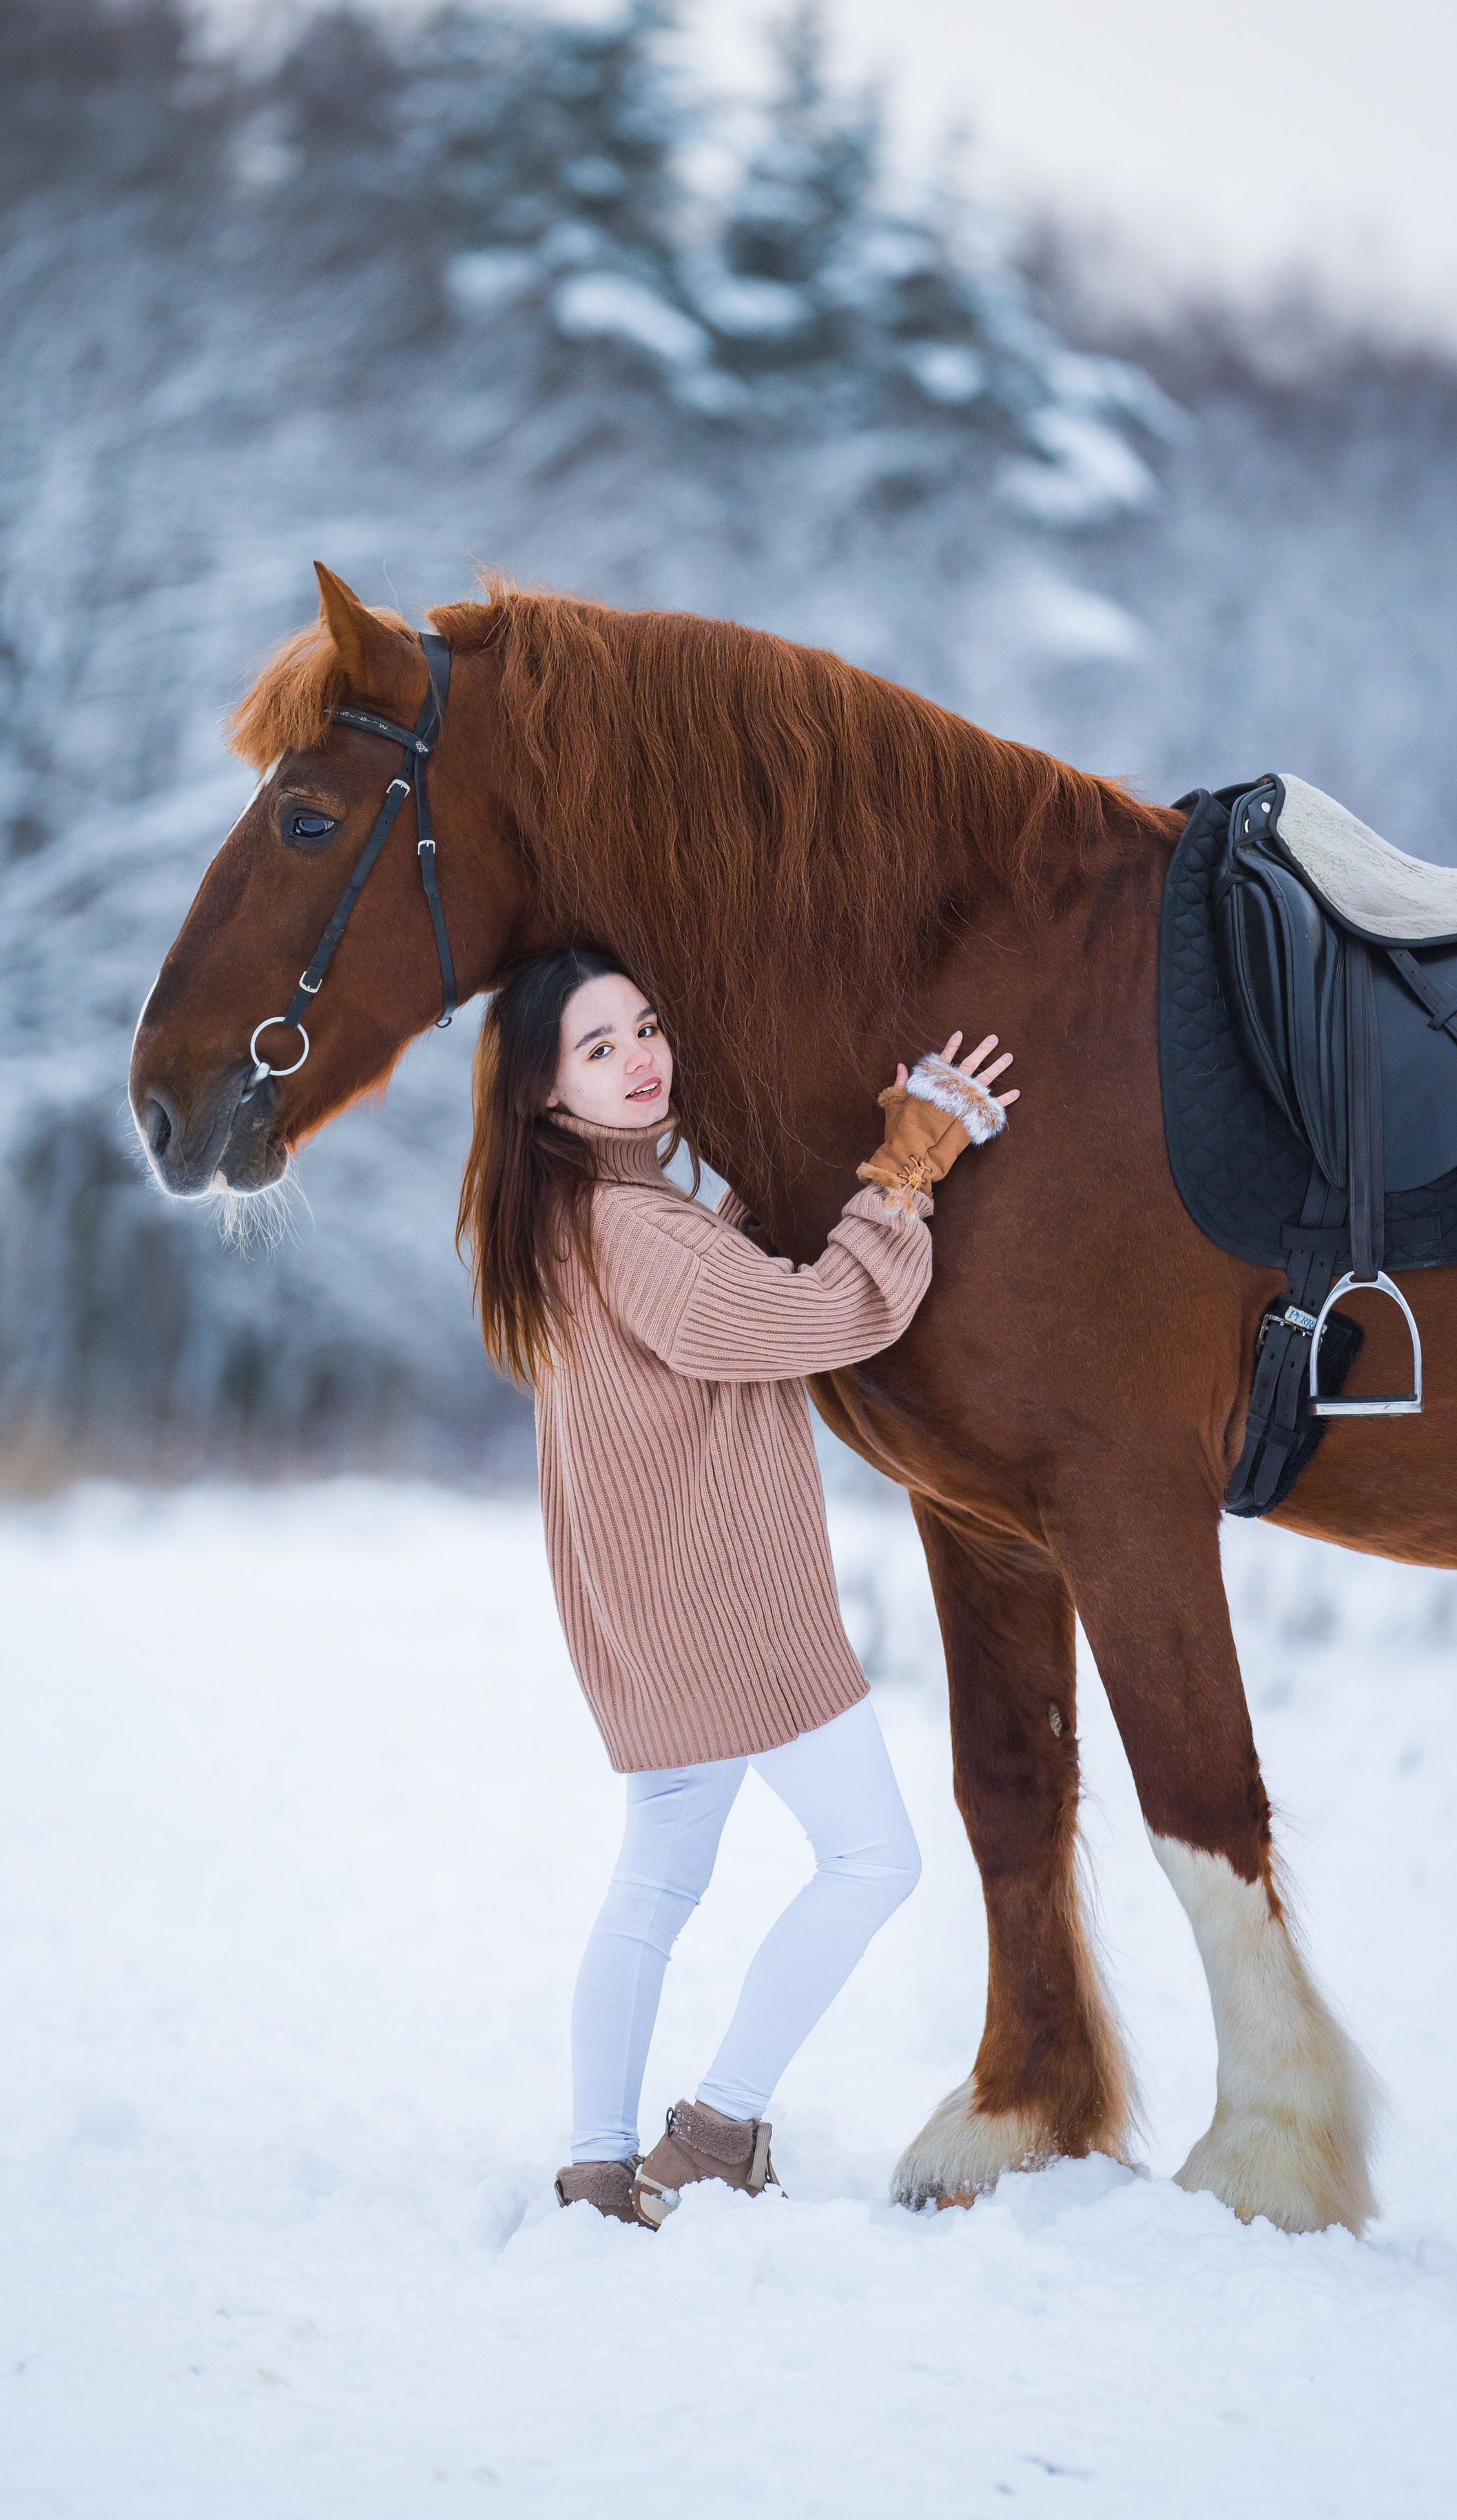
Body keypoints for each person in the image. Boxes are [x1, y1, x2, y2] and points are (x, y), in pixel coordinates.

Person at [456, 948, 1016, 2229]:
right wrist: (907, 1168)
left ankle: (602, 2165)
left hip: (642, 1612)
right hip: (728, 1612)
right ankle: (716, 2128)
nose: (641, 1058)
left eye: (645, 1027)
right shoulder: (634, 1228)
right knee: (875, 1860)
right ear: (545, 1094)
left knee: (654, 1885)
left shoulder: (565, 1215)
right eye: (597, 1049)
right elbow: (820, 1318)